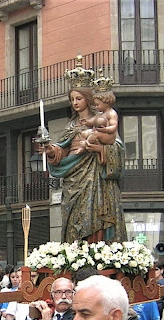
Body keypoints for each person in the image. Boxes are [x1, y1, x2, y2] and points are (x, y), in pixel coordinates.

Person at [43, 59, 126, 243]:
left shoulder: (102, 119)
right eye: (72, 99)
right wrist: (50, 150)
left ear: (88, 99)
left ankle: (97, 251)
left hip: (96, 179)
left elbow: (116, 147)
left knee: (95, 214)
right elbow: (62, 151)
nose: (74, 103)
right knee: (74, 220)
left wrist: (98, 150)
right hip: (73, 180)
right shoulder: (71, 125)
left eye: (78, 98)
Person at [76, 89, 118, 153]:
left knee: (95, 134)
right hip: (98, 132)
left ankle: (86, 145)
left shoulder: (111, 113)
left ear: (106, 103)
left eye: (97, 105)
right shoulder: (99, 114)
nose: (96, 107)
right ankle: (82, 146)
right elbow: (93, 121)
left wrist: (105, 129)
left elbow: (114, 127)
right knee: (84, 133)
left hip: (108, 136)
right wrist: (87, 122)